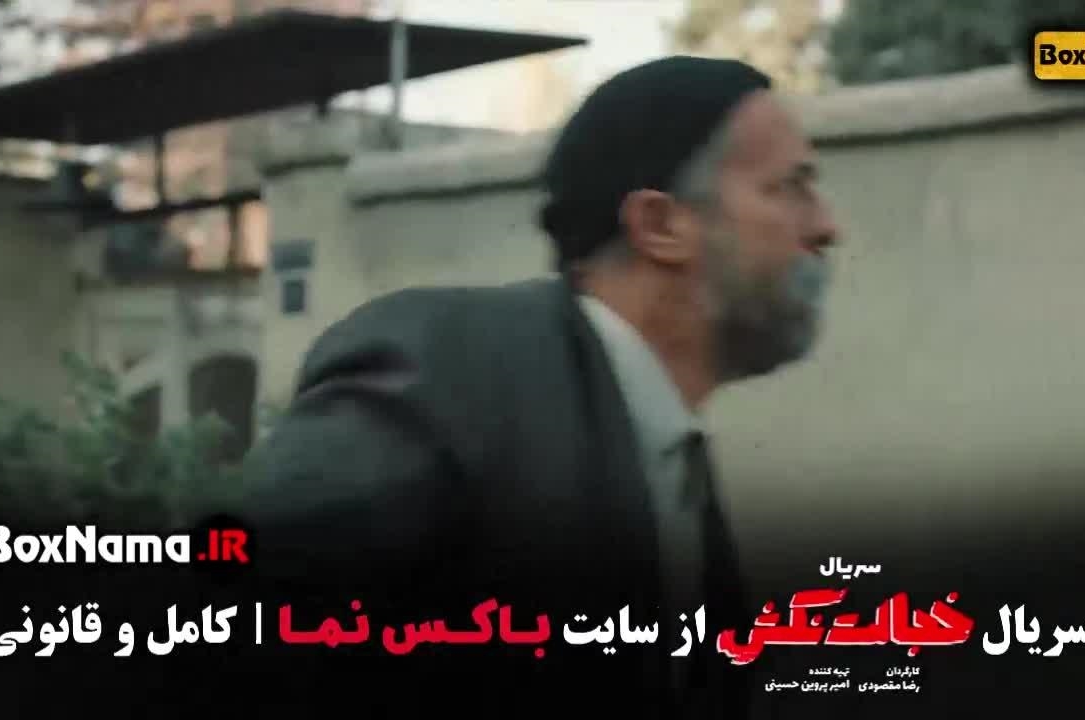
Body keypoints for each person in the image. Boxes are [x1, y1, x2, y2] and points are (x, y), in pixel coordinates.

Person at [238, 56, 838, 716]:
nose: (825, 227)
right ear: (660, 226)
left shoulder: (672, 459)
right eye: (792, 188)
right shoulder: (445, 375)